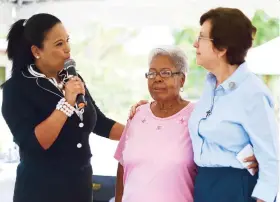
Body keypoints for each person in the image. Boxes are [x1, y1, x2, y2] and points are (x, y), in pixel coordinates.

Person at [130, 7, 279, 202]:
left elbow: (271, 162)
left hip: (235, 188)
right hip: (204, 186)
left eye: (201, 38)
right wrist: (150, 109)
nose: (194, 44)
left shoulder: (252, 93)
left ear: (222, 48)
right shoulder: (210, 86)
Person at [1, 13, 124, 202]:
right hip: (41, 191)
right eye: (59, 44)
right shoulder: (16, 88)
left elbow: (99, 123)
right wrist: (66, 104)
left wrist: (141, 131)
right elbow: (35, 144)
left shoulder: (72, 79)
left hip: (80, 188)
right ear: (36, 51)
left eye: (67, 41)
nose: (67, 49)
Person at [114, 46, 258, 202]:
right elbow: (122, 166)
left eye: (165, 73)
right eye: (152, 73)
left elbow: (236, 144)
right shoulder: (137, 115)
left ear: (182, 79)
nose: (157, 78)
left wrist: (258, 156)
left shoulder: (199, 116)